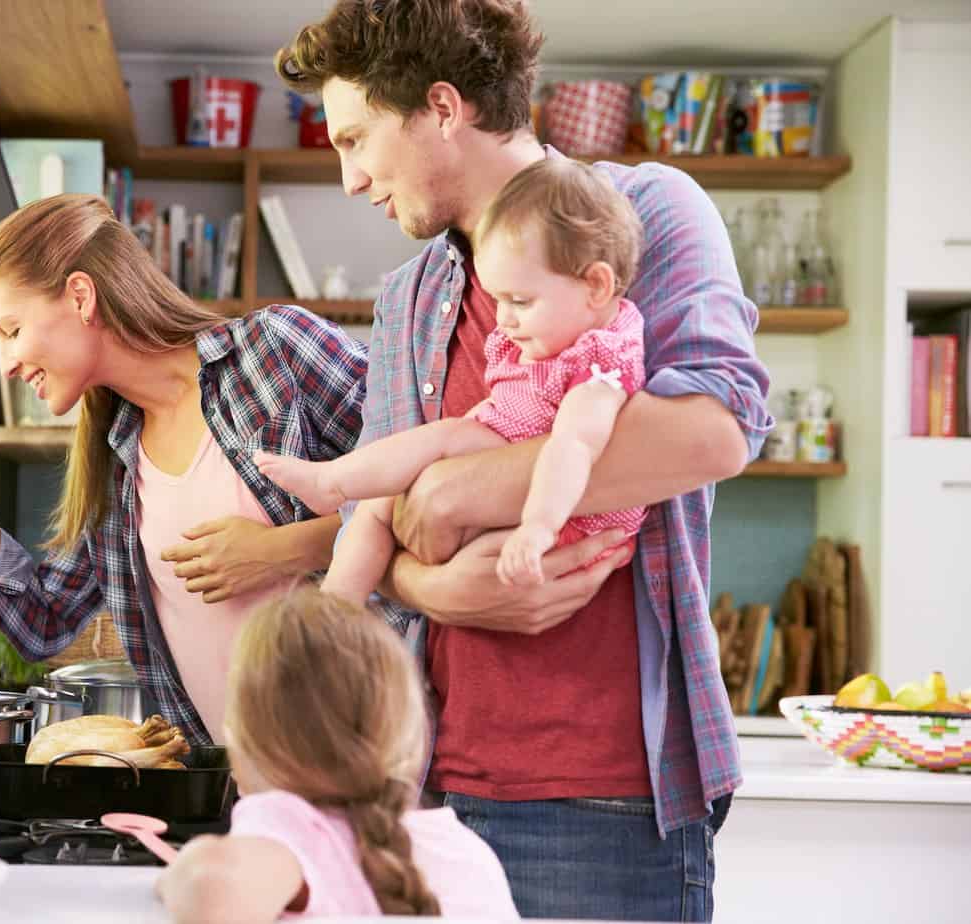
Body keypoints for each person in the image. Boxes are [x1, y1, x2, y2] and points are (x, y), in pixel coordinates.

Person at [276, 1, 772, 920]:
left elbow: (716, 430)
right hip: (424, 792)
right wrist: (436, 589)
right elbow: (374, 524)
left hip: (606, 801)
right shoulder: (411, 293)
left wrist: (460, 488)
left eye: (356, 140)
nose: (349, 180)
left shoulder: (641, 213)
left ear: (440, 107)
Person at [0, 194, 370, 746]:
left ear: (80, 296)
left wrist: (279, 551)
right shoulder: (114, 460)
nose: (7, 364)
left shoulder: (275, 353)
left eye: (11, 330)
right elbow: (41, 622)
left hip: (366, 766)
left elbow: (421, 498)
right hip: (239, 788)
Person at [257, 159, 647, 601]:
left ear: (596, 286)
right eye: (498, 299)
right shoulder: (547, 336)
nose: (505, 319)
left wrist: (539, 526)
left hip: (562, 522)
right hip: (510, 494)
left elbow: (573, 448)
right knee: (378, 503)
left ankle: (335, 486)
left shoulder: (602, 361)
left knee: (448, 439)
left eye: (520, 301)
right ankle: (335, 604)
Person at [156, 585, 517, 922]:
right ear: (405, 731)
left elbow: (209, 886)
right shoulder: (463, 850)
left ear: (246, 740)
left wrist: (170, 879)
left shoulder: (289, 825)